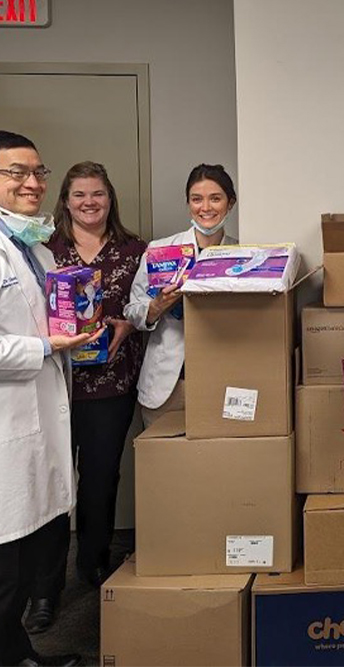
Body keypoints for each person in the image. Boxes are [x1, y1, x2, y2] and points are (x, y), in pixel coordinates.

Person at [20, 162, 148, 633]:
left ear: (110, 198)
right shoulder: (42, 251)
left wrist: (128, 322)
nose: (89, 202)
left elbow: (145, 306)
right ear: (66, 200)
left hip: (113, 384)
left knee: (99, 478)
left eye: (97, 194)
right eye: (79, 195)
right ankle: (43, 591)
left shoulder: (135, 250)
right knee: (53, 486)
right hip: (56, 382)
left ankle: (93, 564)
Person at [0, 130, 101, 667]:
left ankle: (19, 655)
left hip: (36, 417)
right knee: (4, 570)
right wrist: (44, 345)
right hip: (6, 426)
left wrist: (76, 326)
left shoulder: (34, 248)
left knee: (22, 562)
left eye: (37, 172)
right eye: (16, 173)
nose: (32, 183)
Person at [125, 163, 237, 427]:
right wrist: (156, 307)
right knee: (162, 465)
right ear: (188, 203)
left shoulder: (243, 254)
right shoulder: (161, 251)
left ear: (230, 203)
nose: (206, 208)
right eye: (197, 199)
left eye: (215, 198)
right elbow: (133, 311)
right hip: (167, 386)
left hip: (222, 379)